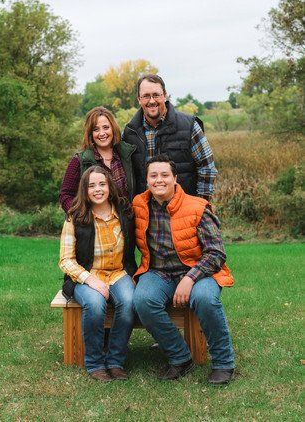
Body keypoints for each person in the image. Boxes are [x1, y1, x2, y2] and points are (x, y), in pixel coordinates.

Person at [132, 155, 235, 384]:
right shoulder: (138, 204)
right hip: (158, 271)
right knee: (142, 300)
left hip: (198, 271)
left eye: (165, 175)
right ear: (147, 180)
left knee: (205, 299)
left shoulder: (197, 207)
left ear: (175, 178)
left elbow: (216, 253)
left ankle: (224, 363)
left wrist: (190, 278)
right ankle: (180, 356)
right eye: (154, 175)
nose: (159, 180)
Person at [59, 166, 137, 382]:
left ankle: (115, 361)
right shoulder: (75, 217)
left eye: (102, 184)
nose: (98, 189)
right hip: (86, 275)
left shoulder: (123, 212)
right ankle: (95, 363)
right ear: (84, 190)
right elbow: (66, 260)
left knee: (129, 301)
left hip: (119, 273)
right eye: (91, 185)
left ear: (110, 186)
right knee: (94, 304)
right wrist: (91, 280)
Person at [122, 74, 217, 200]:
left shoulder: (189, 126)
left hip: (183, 209)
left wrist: (201, 204)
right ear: (139, 99)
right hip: (145, 211)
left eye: (156, 95)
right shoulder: (130, 132)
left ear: (164, 95)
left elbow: (207, 167)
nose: (151, 101)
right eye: (146, 96)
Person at [60, 106, 136, 212]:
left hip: (126, 224)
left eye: (106, 127)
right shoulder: (79, 161)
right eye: (96, 129)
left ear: (113, 129)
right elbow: (65, 196)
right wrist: (82, 216)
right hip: (94, 225)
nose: (102, 133)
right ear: (90, 134)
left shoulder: (127, 155)